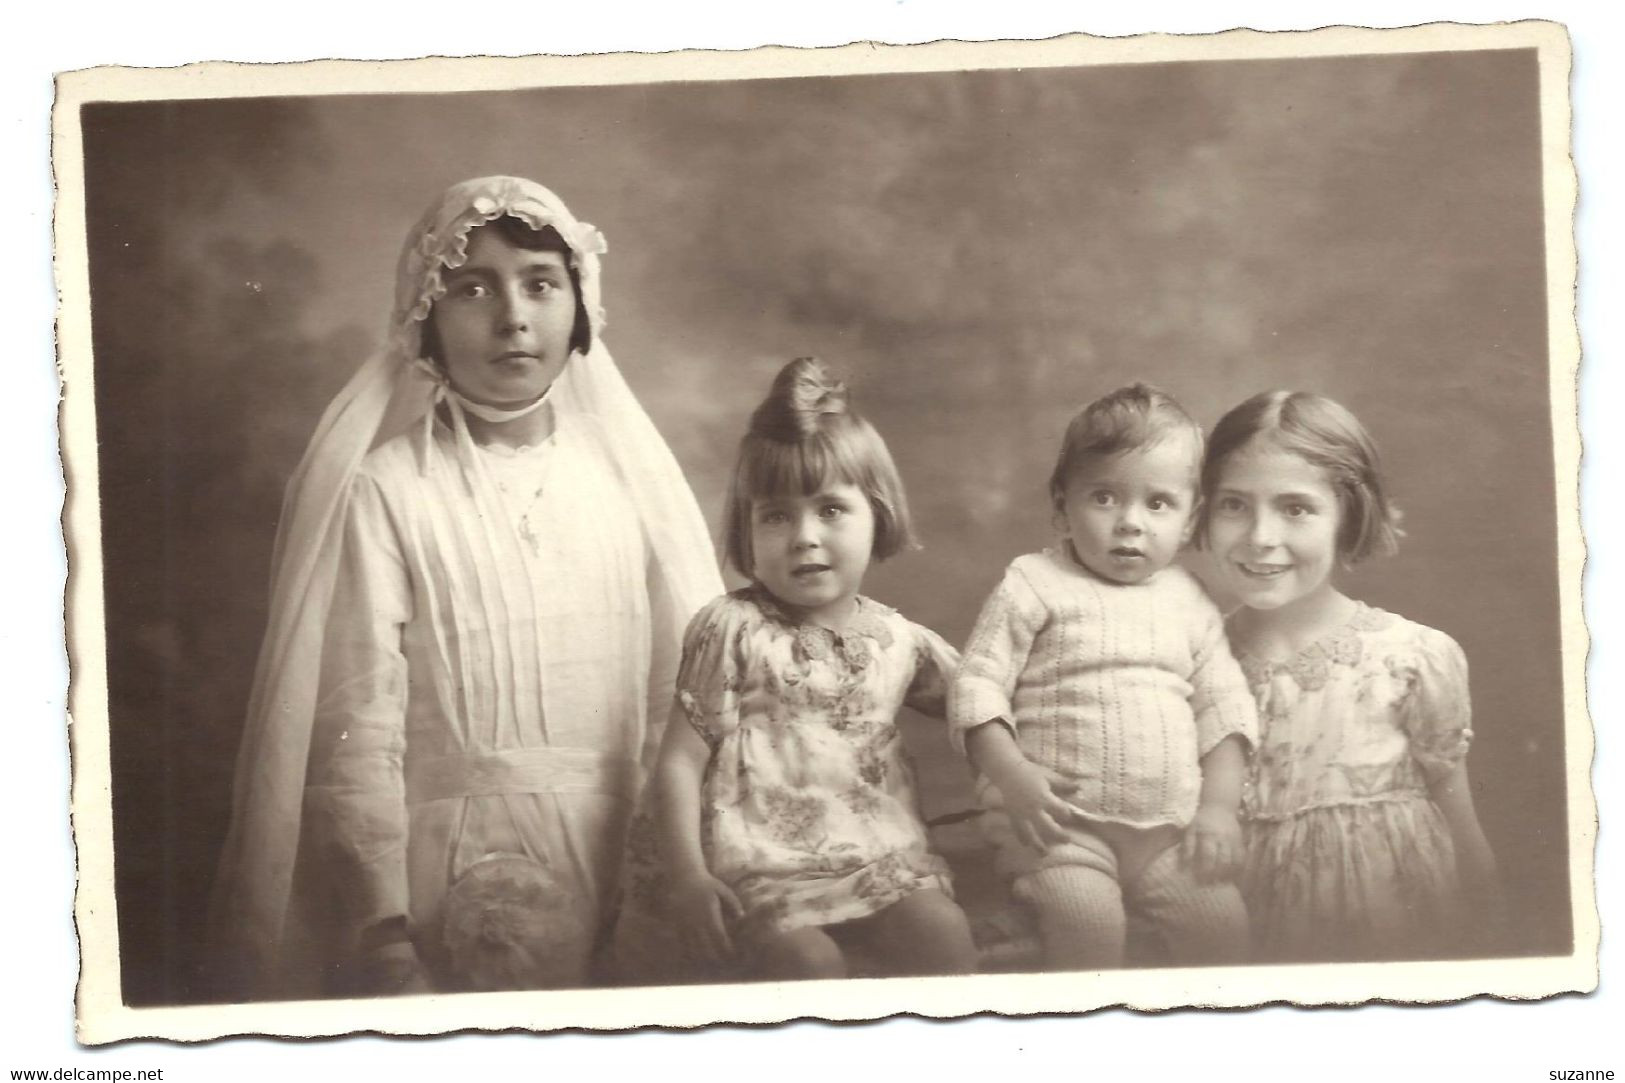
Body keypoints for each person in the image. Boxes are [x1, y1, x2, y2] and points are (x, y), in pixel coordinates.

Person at [208, 176, 722, 999]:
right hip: (447, 868)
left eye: (540, 284)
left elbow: (683, 697)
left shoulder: (630, 485)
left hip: (628, 854)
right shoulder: (387, 487)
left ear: (579, 307)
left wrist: (670, 874)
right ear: (426, 320)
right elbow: (358, 721)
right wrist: (383, 931)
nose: (512, 315)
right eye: (472, 288)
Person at [615, 357, 977, 982]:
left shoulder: (897, 638)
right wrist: (688, 876)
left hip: (876, 854)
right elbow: (678, 762)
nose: (804, 536)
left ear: (878, 515)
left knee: (943, 932)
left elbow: (983, 705)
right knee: (807, 965)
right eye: (777, 515)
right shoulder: (732, 628)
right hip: (764, 865)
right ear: (748, 529)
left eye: (831, 510)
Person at [949, 384, 1256, 970]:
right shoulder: (1034, 583)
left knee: (1223, 925)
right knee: (1088, 922)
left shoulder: (1190, 602)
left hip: (1167, 837)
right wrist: (1011, 775)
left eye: (1158, 504)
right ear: (1061, 504)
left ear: (1191, 518)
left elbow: (1225, 710)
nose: (1130, 524)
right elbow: (976, 687)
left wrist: (1217, 810)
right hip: (1061, 831)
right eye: (1105, 498)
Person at [1199, 390, 1499, 962]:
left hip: (1394, 939)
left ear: (1348, 516)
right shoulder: (1192, 662)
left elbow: (1462, 825)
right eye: (1234, 504)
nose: (1261, 536)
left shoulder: (1409, 657)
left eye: (1295, 508)